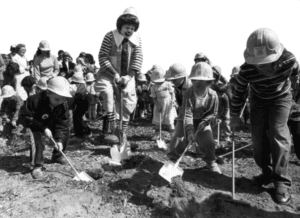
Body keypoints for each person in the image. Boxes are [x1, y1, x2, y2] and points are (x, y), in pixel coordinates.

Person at [230, 28, 300, 204]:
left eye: (267, 62)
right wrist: (235, 115)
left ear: (277, 55)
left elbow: (296, 78)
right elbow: (239, 93)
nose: (262, 66)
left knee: (278, 132)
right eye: (258, 63)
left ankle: (281, 181)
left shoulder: (290, 60)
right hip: (258, 100)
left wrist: (295, 99)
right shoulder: (246, 71)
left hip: (281, 98)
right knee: (258, 137)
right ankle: (266, 172)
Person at [94, 7, 143, 145]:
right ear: (120, 26)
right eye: (127, 27)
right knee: (108, 93)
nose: (129, 30)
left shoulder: (136, 39)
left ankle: (123, 135)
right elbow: (102, 56)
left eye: (132, 28)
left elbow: (138, 58)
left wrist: (129, 76)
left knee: (128, 102)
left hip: (127, 75)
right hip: (108, 73)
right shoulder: (110, 36)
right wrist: (114, 74)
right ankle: (113, 129)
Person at [19, 76, 72, 179]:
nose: (60, 101)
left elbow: (62, 124)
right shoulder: (34, 101)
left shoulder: (62, 105)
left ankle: (57, 155)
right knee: (36, 139)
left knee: (65, 131)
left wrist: (59, 140)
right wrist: (43, 128)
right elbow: (25, 117)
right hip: (34, 124)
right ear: (48, 93)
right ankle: (37, 165)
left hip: (50, 123)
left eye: (63, 99)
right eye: (57, 99)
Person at [183, 62, 221, 173]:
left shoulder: (213, 95)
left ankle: (211, 163)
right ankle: (173, 162)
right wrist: (190, 131)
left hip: (203, 122)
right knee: (177, 139)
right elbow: (187, 113)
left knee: (208, 142)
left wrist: (204, 122)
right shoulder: (188, 94)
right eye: (194, 79)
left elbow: (213, 113)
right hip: (188, 121)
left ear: (208, 81)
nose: (196, 82)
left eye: (200, 80)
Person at [164, 63, 192, 159]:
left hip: (195, 115)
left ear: (182, 77)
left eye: (175, 80)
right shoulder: (177, 86)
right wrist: (181, 112)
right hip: (183, 112)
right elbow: (180, 102)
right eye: (172, 80)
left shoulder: (191, 86)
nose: (173, 82)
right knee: (177, 134)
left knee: (198, 137)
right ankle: (172, 158)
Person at [150, 65, 176, 140]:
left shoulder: (167, 84)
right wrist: (158, 105)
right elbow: (153, 97)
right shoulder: (153, 87)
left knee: (170, 120)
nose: (159, 82)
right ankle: (157, 135)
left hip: (168, 103)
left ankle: (173, 135)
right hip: (159, 103)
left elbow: (172, 93)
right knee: (158, 121)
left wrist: (173, 100)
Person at [69, 71, 91, 138]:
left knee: (77, 118)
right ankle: (82, 132)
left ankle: (81, 133)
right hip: (85, 103)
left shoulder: (74, 86)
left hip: (81, 103)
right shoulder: (83, 85)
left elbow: (72, 96)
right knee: (78, 117)